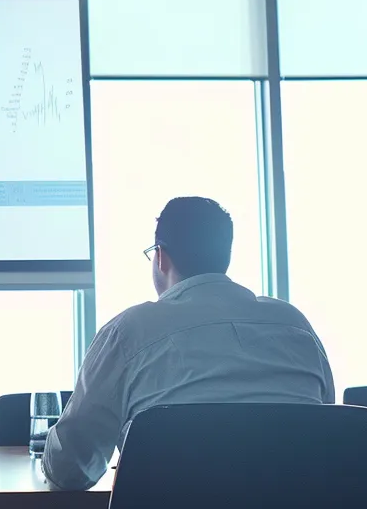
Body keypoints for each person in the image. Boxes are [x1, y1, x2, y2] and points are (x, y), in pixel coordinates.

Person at [41, 196, 334, 490]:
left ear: (160, 256)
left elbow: (70, 470)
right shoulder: (295, 326)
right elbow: (327, 432)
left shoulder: (129, 332)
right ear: (224, 255)